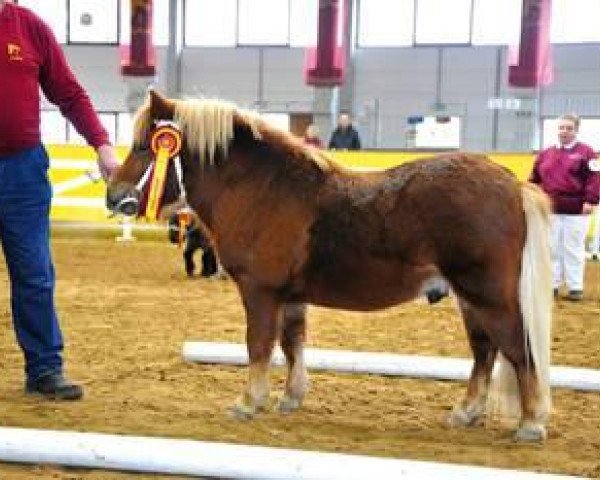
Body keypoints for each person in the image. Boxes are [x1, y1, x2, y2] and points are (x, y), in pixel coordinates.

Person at [0, 0, 120, 399]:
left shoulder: (30, 27)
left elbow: (68, 92)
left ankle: (44, 370)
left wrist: (101, 143)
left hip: (23, 172)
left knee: (34, 272)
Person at [529, 114, 600, 301]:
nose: (565, 131)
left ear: (576, 130)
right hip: (549, 208)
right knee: (551, 248)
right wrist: (532, 198)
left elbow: (594, 178)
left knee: (573, 248)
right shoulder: (545, 154)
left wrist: (590, 200)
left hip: (576, 209)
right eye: (562, 128)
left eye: (569, 128)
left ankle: (575, 287)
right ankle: (552, 285)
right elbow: (534, 180)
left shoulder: (587, 153)